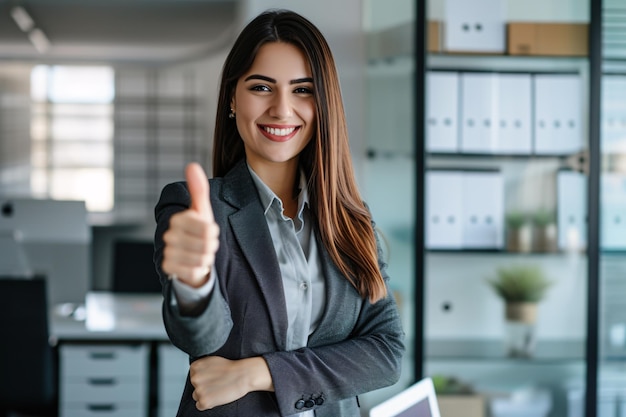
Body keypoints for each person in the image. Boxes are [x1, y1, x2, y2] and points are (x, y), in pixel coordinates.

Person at [153, 8, 405, 417]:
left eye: (302, 89)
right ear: (233, 98)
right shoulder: (195, 208)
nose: (282, 109)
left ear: (323, 104)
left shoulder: (351, 218)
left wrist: (255, 373)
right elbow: (202, 340)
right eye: (262, 87)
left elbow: (385, 353)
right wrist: (195, 281)